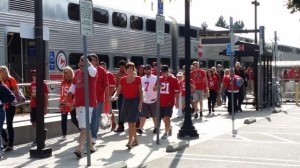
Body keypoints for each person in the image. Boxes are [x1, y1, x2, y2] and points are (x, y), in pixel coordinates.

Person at [61, 55, 97, 158]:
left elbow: (93, 72)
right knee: (84, 126)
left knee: (85, 126)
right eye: (79, 65)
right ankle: (91, 147)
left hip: (88, 103)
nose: (80, 67)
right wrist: (66, 99)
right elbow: (73, 87)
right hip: (79, 103)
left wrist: (87, 63)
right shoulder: (77, 73)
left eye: (82, 65)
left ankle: (79, 148)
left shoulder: (91, 72)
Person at [112, 62, 143, 149]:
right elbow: (117, 91)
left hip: (135, 101)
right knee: (130, 122)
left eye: (131, 68)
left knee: (131, 122)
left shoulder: (138, 79)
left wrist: (140, 103)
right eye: (128, 68)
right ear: (125, 70)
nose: (129, 69)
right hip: (126, 101)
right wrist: (114, 97)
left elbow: (140, 92)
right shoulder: (122, 79)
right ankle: (136, 140)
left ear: (134, 70)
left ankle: (130, 142)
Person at [154, 65, 180, 139]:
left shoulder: (174, 80)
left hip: (169, 101)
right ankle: (170, 127)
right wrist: (157, 86)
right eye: (162, 72)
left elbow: (177, 92)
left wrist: (177, 102)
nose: (163, 73)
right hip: (161, 101)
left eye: (165, 72)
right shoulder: (159, 79)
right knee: (163, 118)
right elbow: (154, 89)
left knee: (167, 117)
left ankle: (166, 132)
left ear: (168, 71)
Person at [89, 54, 109, 144]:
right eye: (90, 60)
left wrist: (107, 97)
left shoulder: (102, 71)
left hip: (98, 98)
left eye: (93, 60)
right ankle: (89, 135)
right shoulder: (87, 70)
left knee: (95, 117)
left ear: (97, 61)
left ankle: (93, 136)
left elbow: (106, 85)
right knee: (89, 117)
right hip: (88, 98)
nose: (91, 61)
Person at [0, 66, 19, 151]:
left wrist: (7, 94)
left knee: (9, 124)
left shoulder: (11, 79)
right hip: (4, 106)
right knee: (1, 126)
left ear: (4, 72)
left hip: (10, 105)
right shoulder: (1, 82)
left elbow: (16, 91)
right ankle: (6, 140)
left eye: (1, 71)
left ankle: (10, 144)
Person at [58, 66, 79, 141]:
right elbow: (61, 94)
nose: (65, 74)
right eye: (64, 72)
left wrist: (72, 103)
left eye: (66, 72)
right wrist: (60, 102)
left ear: (70, 73)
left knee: (73, 119)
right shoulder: (62, 82)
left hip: (71, 104)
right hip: (64, 103)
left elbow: (75, 93)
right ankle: (64, 136)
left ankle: (82, 131)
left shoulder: (73, 82)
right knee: (63, 119)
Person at [29, 69, 49, 146]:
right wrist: (30, 105)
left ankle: (38, 138)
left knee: (38, 122)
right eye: (33, 75)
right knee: (33, 122)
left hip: (40, 105)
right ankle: (42, 131)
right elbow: (31, 95)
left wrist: (45, 107)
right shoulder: (32, 84)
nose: (33, 76)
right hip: (33, 105)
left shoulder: (43, 84)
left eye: (35, 75)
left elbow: (46, 96)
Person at [137, 64, 157, 134]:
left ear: (151, 70)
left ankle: (156, 127)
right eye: (146, 69)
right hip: (144, 100)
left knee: (154, 115)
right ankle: (141, 128)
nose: (147, 70)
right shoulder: (141, 78)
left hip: (153, 99)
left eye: (148, 69)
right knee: (143, 115)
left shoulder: (156, 78)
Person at [99, 61, 117, 131]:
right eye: (101, 66)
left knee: (109, 111)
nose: (103, 67)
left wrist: (109, 96)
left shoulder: (109, 74)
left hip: (106, 97)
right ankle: (103, 124)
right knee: (100, 112)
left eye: (104, 66)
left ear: (106, 67)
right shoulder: (98, 74)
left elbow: (112, 87)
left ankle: (113, 123)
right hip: (100, 97)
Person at [114, 60, 127, 132]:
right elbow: (117, 85)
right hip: (121, 94)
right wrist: (116, 94)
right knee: (120, 110)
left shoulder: (128, 73)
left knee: (130, 110)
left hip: (129, 94)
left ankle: (136, 124)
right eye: (120, 67)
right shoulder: (118, 74)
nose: (122, 68)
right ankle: (121, 126)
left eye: (123, 67)